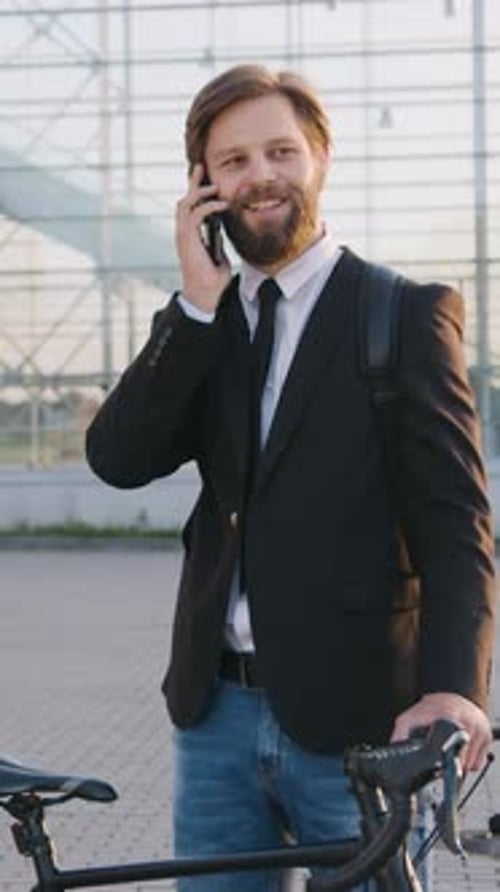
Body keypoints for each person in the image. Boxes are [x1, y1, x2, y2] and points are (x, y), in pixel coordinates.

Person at [86, 65, 496, 892]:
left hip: (359, 724)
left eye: (280, 150)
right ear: (203, 185)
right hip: (215, 720)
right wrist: (194, 311)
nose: (258, 175)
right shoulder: (208, 323)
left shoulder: (403, 314)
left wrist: (455, 689)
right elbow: (119, 459)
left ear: (319, 159)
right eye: (232, 161)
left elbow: (455, 520)